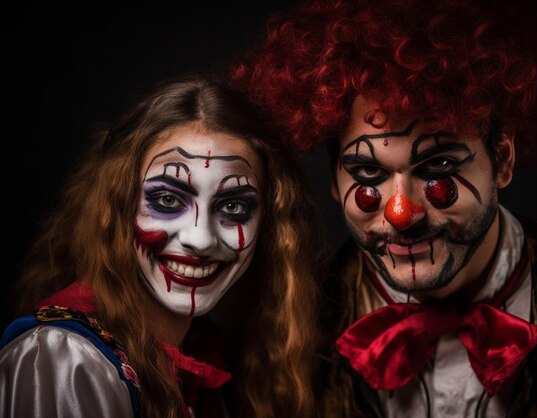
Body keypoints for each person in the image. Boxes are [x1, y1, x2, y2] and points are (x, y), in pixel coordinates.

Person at [230, 0, 537, 417]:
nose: (402, 213)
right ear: (333, 179)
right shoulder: (284, 324)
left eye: (438, 167)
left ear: (503, 159)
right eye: (368, 172)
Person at [0, 74, 322, 418]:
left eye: (233, 207)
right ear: (118, 204)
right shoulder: (64, 362)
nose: (200, 239)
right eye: (167, 199)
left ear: (268, 224)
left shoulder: (210, 353)